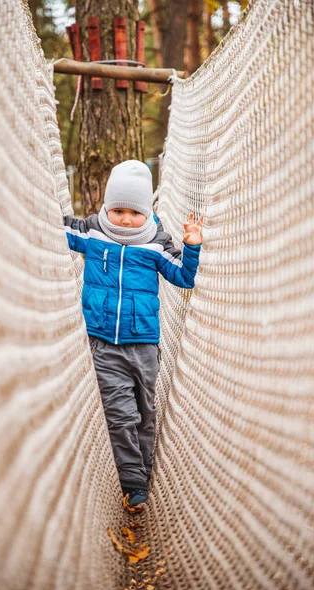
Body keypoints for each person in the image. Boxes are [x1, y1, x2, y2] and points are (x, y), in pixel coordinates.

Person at [63, 160, 203, 507]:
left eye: (134, 212)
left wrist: (193, 246)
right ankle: (133, 482)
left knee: (145, 411)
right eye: (118, 210)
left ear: (147, 213)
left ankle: (144, 468)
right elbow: (56, 230)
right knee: (121, 413)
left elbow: (184, 278)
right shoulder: (93, 234)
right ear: (107, 207)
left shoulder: (156, 244)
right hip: (103, 344)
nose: (126, 220)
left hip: (144, 344)